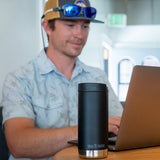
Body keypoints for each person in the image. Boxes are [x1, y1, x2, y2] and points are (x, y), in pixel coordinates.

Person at [2, 0, 123, 159]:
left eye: (85, 26)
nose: (79, 34)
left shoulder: (97, 77)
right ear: (47, 27)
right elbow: (19, 144)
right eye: (70, 25)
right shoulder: (19, 80)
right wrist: (89, 130)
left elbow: (122, 128)